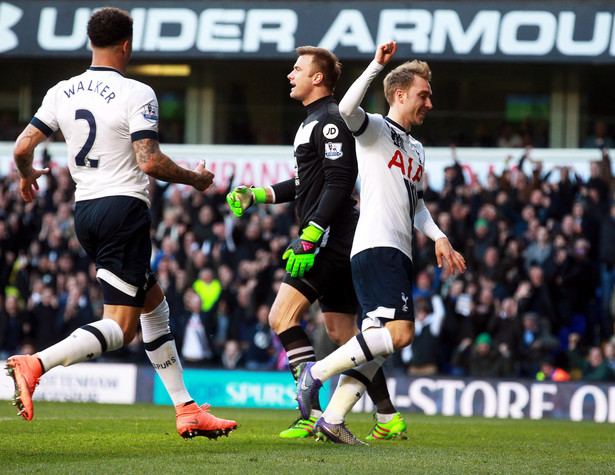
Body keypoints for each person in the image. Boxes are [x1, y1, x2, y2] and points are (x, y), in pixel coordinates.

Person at [5, 7, 236, 440]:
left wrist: (25, 174)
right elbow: (148, 160)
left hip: (85, 212)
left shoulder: (61, 91)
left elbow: (22, 147)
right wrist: (196, 179)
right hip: (123, 210)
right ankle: (36, 364)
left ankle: (185, 407)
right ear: (127, 45)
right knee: (121, 327)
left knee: (154, 305)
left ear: (90, 42)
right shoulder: (136, 92)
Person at [226, 46, 404, 440]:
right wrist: (258, 194)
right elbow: (307, 183)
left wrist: (312, 233)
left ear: (317, 78)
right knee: (343, 333)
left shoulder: (330, 120)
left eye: (297, 69)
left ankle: (310, 411)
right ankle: (388, 415)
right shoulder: (311, 122)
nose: (290, 74)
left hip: (331, 239)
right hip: (336, 236)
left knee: (280, 318)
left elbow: (341, 182)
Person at [295, 40, 466, 445]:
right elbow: (347, 109)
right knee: (401, 334)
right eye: (424, 95)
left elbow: (417, 205)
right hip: (375, 245)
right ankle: (315, 373)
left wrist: (440, 237)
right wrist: (375, 64)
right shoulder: (374, 130)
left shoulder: (417, 149)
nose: (429, 103)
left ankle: (333, 418)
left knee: (379, 346)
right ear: (400, 93)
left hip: (398, 250)